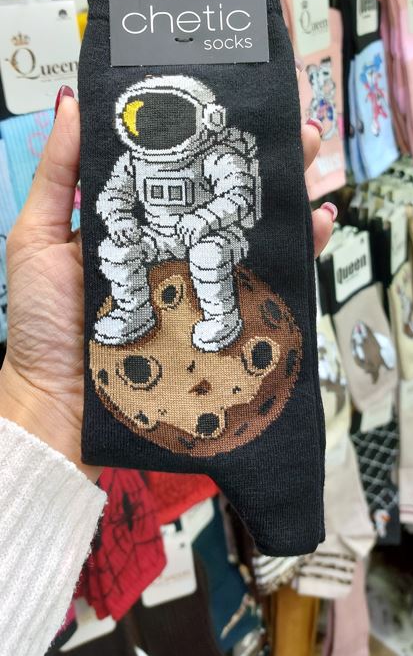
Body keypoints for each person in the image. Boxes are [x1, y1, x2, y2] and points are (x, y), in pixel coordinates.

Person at [0, 85, 336, 656]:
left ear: (202, 118)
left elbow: (238, 194)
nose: (156, 128)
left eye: (167, 117)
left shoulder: (220, 151)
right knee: (114, 255)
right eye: (145, 118)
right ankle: (132, 312)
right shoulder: (135, 161)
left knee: (209, 257)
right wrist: (119, 221)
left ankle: (222, 317)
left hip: (212, 239)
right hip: (158, 239)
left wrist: (205, 218)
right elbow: (112, 195)